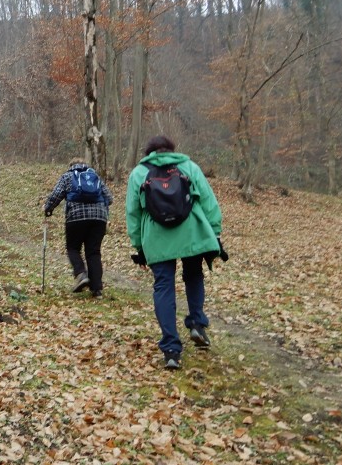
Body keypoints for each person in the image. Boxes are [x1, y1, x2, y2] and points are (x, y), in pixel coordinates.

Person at [125, 135, 225, 371]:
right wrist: (216, 234)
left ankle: (171, 349)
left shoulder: (139, 173)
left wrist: (138, 246)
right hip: (191, 232)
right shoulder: (189, 166)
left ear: (149, 152)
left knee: (163, 286)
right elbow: (209, 202)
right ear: (171, 149)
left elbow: (133, 213)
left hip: (157, 238)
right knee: (193, 274)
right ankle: (197, 324)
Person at [43, 158, 114, 299]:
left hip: (76, 217)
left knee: (73, 248)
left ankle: (81, 274)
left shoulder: (68, 175)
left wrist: (48, 208)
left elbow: (56, 195)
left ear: (71, 165)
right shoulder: (95, 176)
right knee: (94, 252)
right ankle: (97, 289)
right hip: (99, 218)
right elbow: (109, 198)